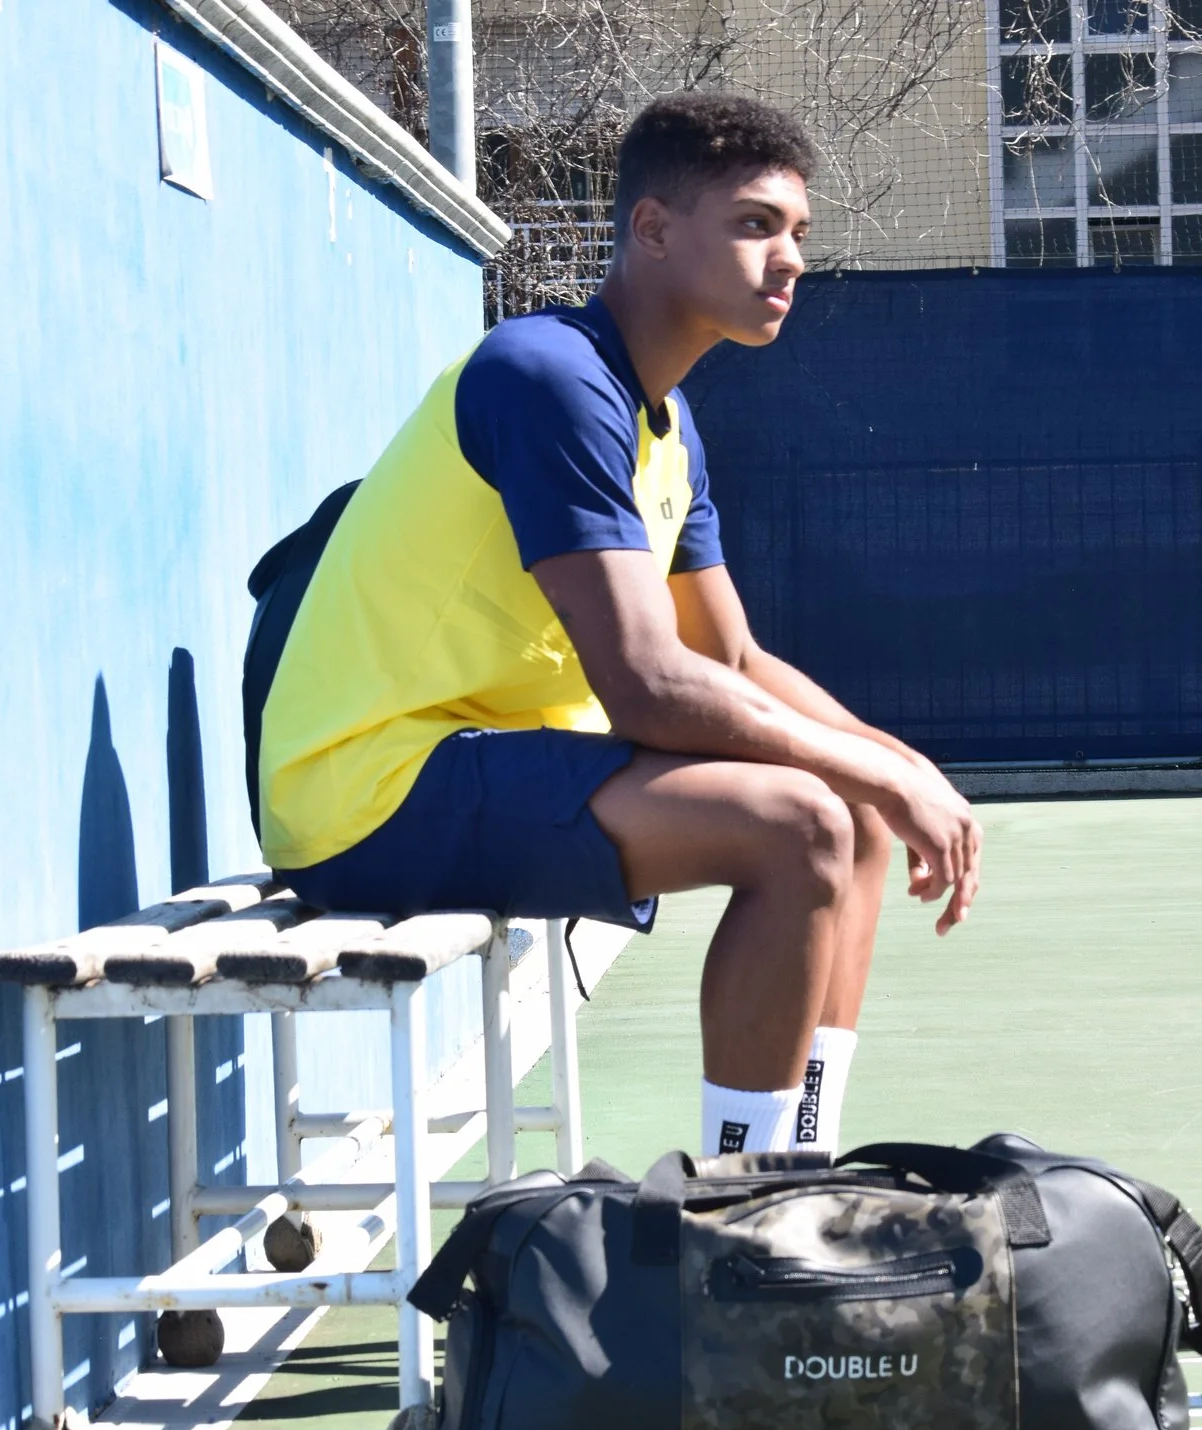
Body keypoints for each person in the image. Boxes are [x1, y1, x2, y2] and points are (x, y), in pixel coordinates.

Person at [246, 91, 981, 1158]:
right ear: (652, 228)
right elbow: (648, 683)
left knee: (858, 816)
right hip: (369, 791)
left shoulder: (667, 424)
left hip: (479, 765)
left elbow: (731, 658)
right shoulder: (546, 376)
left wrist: (901, 767)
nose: (790, 258)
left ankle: (800, 1160)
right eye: (755, 224)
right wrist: (873, 771)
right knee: (802, 824)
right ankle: (740, 1197)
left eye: (797, 231)